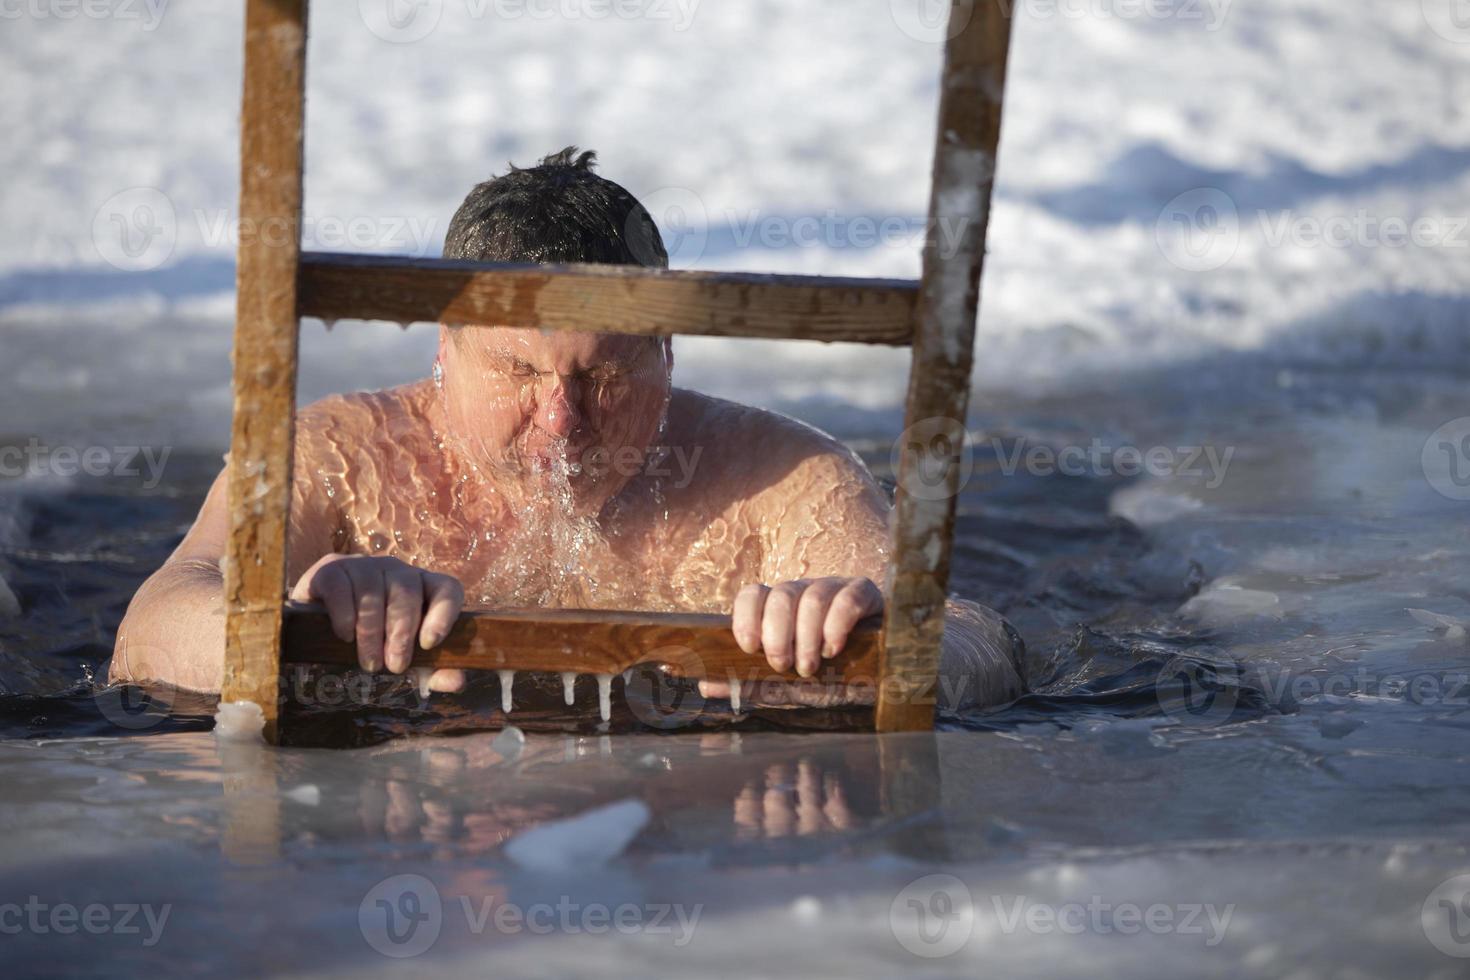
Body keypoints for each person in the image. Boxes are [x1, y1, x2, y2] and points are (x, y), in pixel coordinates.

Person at [111, 147, 1023, 712]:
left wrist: (849, 639)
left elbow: (973, 644)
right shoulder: (337, 457)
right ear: (447, 346)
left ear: (668, 349)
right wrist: (288, 622)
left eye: (606, 375)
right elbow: (149, 630)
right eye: (518, 372)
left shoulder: (780, 475)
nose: (562, 421)